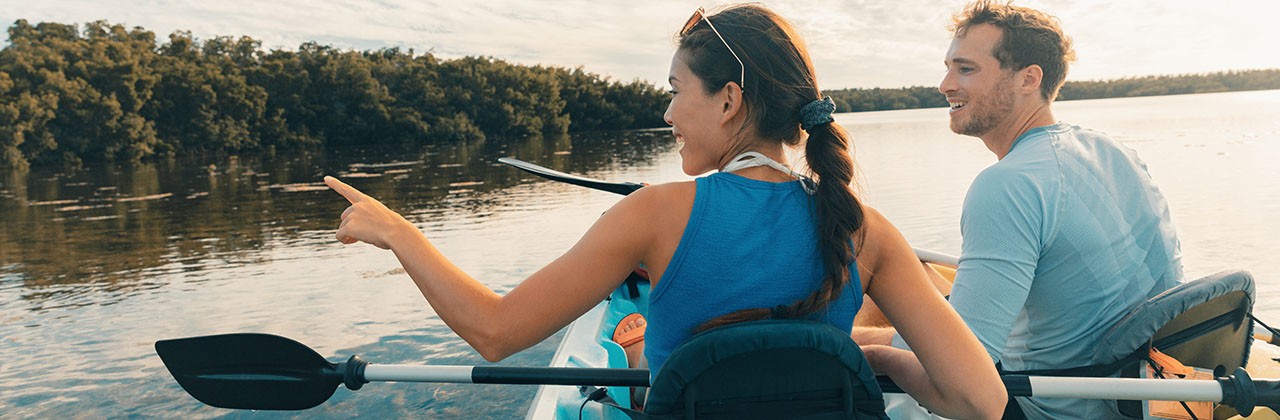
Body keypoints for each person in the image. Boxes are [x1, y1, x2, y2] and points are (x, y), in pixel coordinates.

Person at [324, 4, 1004, 418]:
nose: (668, 112)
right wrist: (882, 362)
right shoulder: (863, 227)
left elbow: (496, 333)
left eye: (677, 91)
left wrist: (399, 232)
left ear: (729, 101)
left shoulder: (652, 216)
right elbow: (982, 401)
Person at [852, 1, 1183, 418]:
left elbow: (962, 380)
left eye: (965, 69)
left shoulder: (1008, 184)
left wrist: (866, 350)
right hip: (1130, 379)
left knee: (864, 313)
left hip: (1046, 405)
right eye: (948, 67)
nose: (944, 84)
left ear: (1028, 79)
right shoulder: (1114, 150)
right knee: (910, 268)